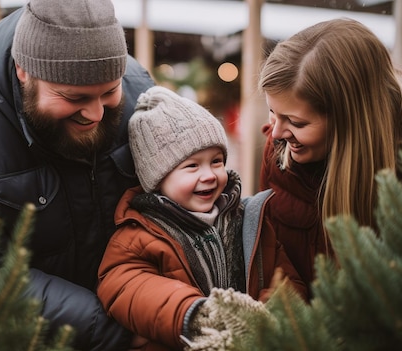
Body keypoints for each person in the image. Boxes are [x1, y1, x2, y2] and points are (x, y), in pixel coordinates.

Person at [0, 0, 155, 350]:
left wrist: (158, 307)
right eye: (74, 96)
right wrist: (111, 329)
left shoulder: (139, 87)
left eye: (110, 92)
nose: (96, 113)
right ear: (25, 71)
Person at [97, 86, 307, 351]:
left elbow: (287, 280)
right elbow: (125, 286)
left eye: (217, 161)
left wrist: (266, 317)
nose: (208, 175)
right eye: (192, 166)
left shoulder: (249, 220)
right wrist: (195, 314)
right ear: (157, 178)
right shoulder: (140, 233)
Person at [257, 18, 402, 298]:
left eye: (296, 122)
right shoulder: (278, 156)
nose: (276, 133)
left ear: (350, 119)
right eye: (273, 112)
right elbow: (273, 258)